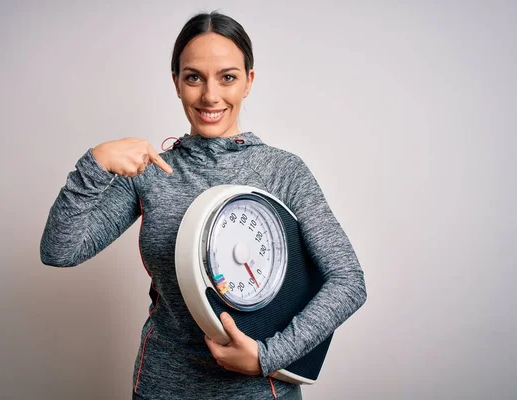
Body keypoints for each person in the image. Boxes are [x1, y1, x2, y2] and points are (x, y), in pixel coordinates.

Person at [40, 11, 367, 400]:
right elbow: (60, 251)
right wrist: (93, 164)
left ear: (249, 81)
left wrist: (268, 356)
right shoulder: (151, 172)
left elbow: (348, 282)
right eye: (194, 77)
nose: (210, 95)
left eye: (227, 77)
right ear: (176, 83)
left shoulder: (283, 171)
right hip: (163, 387)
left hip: (259, 392)